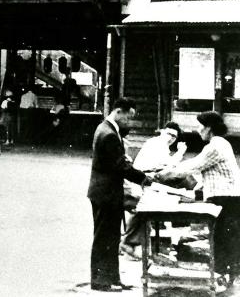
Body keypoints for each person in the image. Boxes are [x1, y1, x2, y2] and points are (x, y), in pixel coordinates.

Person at [157, 111, 240, 290]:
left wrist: (162, 174)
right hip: (226, 196)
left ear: (209, 127)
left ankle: (221, 280)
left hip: (227, 198)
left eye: (200, 125)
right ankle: (227, 278)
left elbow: (193, 165)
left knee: (222, 239)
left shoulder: (216, 145)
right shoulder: (219, 143)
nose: (197, 129)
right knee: (226, 238)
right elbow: (208, 171)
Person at [87, 97, 152, 292]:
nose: (129, 122)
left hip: (105, 192)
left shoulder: (107, 128)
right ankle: (101, 281)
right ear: (119, 112)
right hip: (105, 193)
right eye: (128, 117)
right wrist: (143, 178)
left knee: (111, 237)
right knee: (104, 238)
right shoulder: (108, 134)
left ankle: (112, 278)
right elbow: (120, 166)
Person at [120, 122, 188, 258]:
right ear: (162, 132)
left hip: (147, 180)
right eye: (168, 134)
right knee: (150, 205)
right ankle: (129, 242)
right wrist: (181, 152)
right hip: (139, 181)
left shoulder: (160, 145)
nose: (170, 138)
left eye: (174, 137)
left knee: (181, 187)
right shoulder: (157, 143)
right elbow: (169, 165)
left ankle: (138, 242)